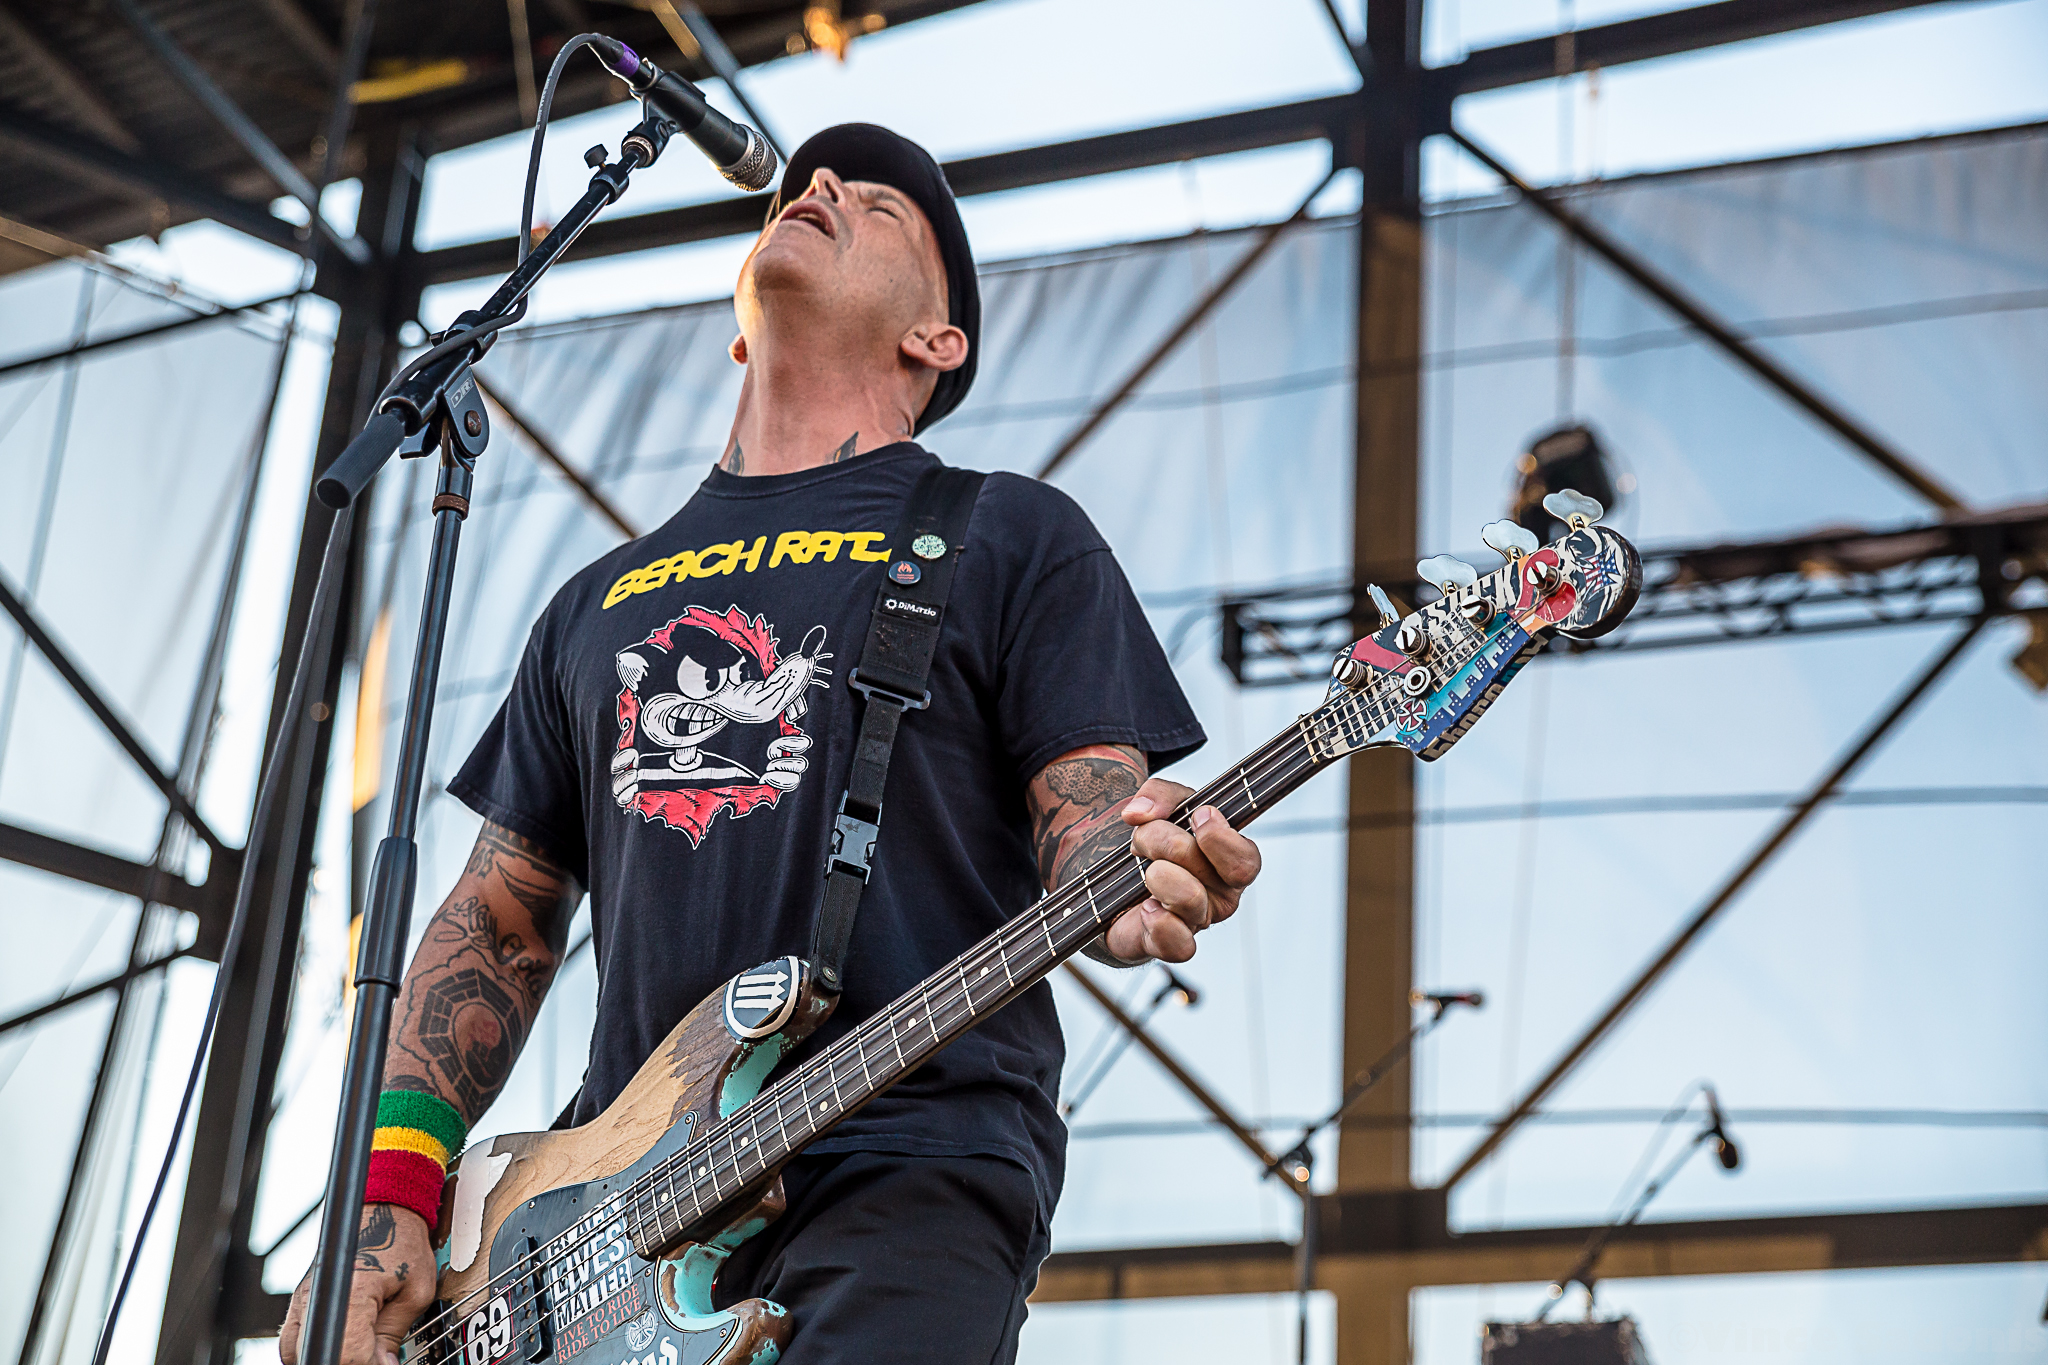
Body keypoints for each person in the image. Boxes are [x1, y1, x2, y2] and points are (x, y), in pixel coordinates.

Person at [281, 123, 1261, 1365]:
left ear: (936, 340)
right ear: (739, 328)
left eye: (879, 206)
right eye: (805, 186)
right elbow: (498, 924)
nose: (822, 186)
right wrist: (385, 1198)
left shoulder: (1008, 532)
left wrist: (1136, 875)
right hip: (607, 1232)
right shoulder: (593, 602)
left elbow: (1091, 821)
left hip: (907, 1163)